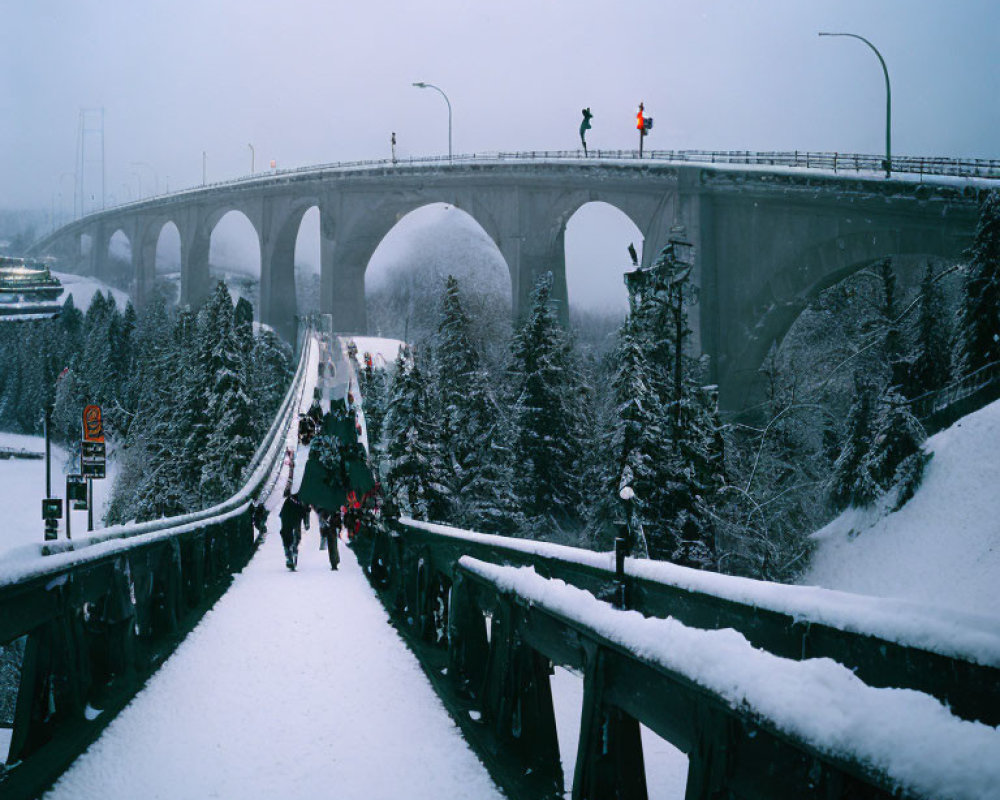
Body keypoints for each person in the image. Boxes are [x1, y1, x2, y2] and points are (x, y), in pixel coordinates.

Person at [278, 493, 310, 570]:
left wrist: (306, 522)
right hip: (290, 512)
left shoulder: (304, 495)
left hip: (295, 512)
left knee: (293, 534)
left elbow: (307, 508)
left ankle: (292, 551)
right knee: (288, 534)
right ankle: (290, 554)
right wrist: (306, 522)